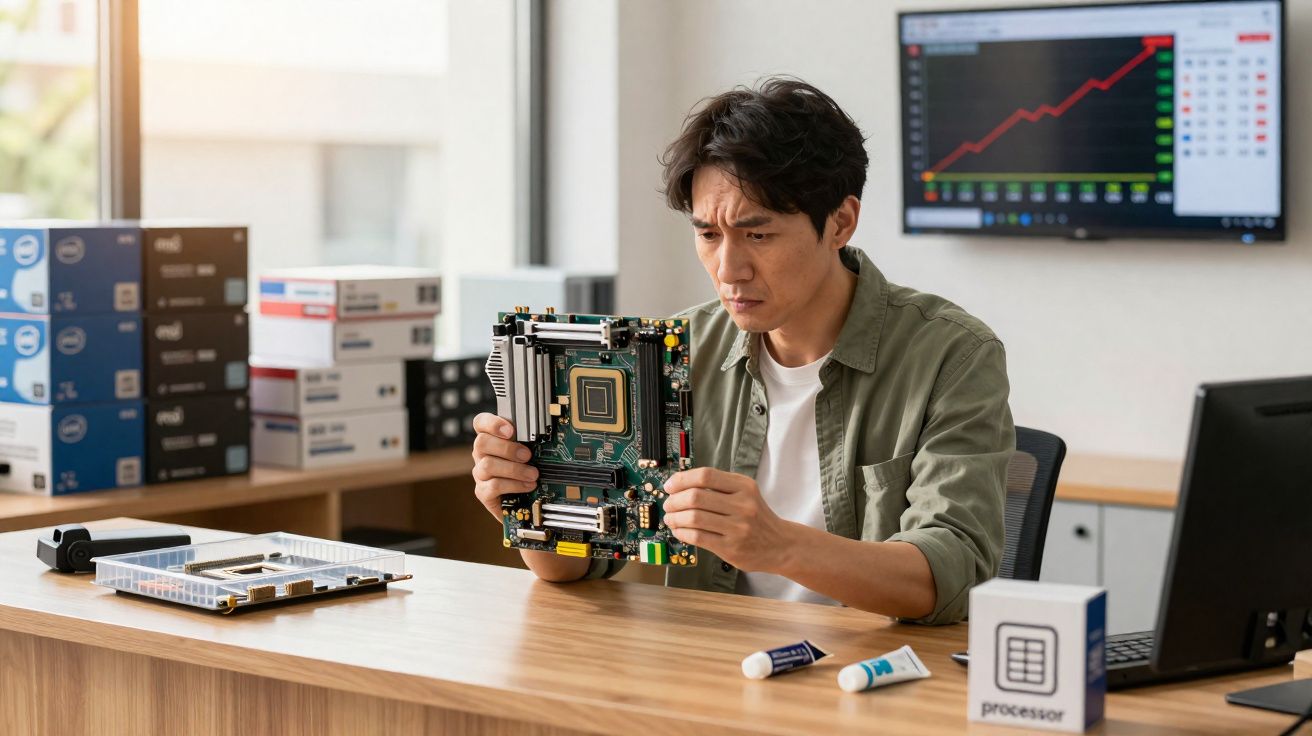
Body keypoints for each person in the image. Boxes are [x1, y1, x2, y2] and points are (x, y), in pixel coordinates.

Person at [471, 77, 1013, 624]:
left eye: (758, 235)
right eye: (708, 235)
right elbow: (578, 567)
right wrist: (525, 508)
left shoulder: (953, 354)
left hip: (868, 676)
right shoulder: (672, 351)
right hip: (713, 670)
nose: (729, 271)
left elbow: (954, 573)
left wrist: (779, 545)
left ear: (841, 222)